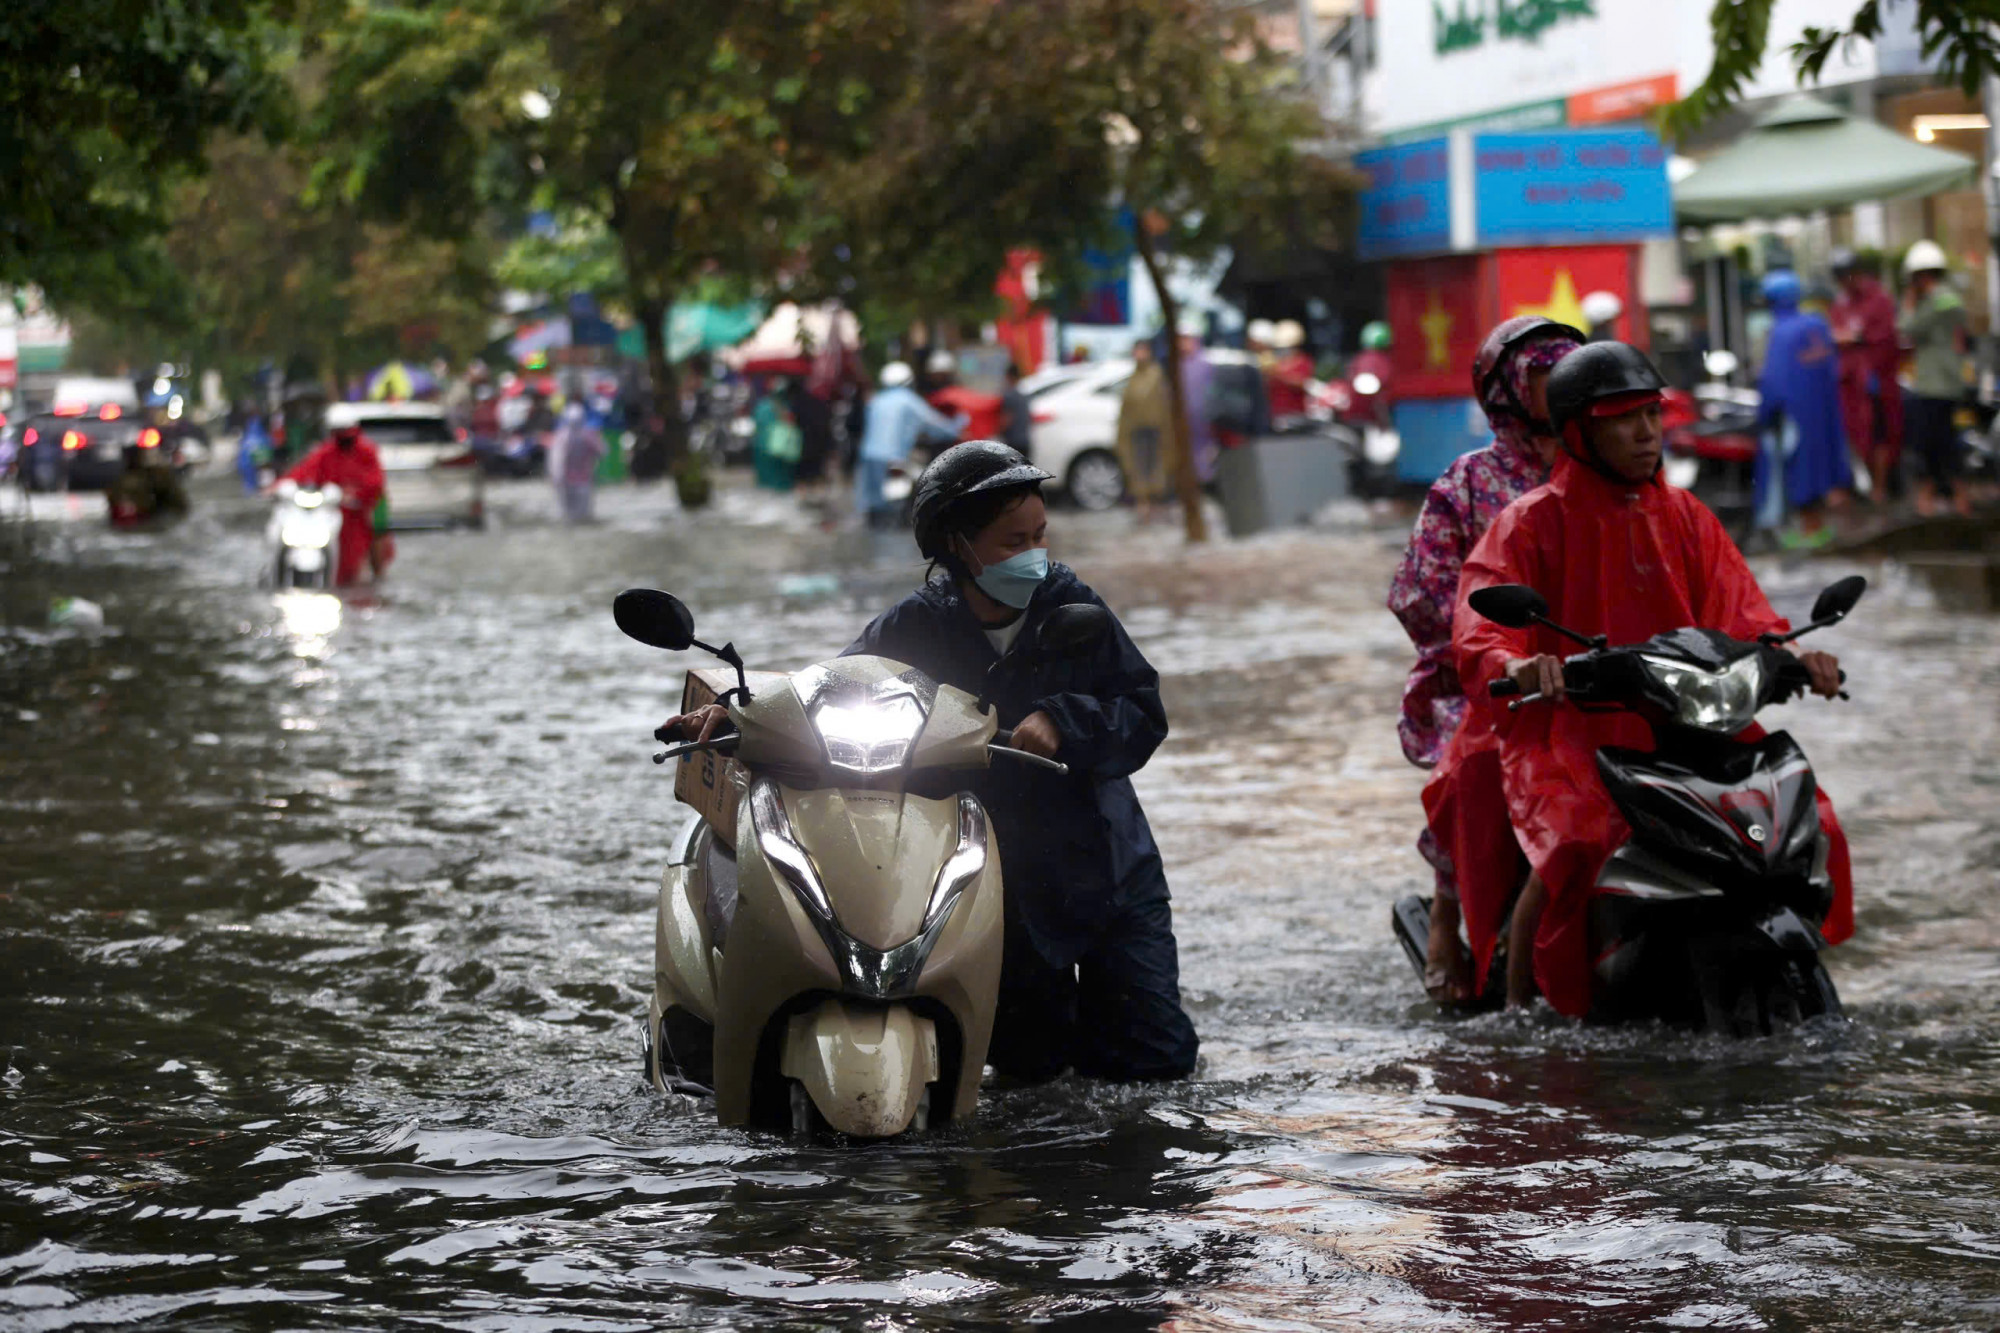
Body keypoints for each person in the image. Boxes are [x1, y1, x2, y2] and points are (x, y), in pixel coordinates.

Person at [663, 441, 1198, 1082]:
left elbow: (1142, 710)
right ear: (955, 546)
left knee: (1153, 1061)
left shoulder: (1070, 605)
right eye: (1011, 542)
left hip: (1108, 864)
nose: (1033, 555)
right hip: (996, 873)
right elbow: (830, 688)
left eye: (1040, 536)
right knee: (1029, 1070)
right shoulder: (914, 627)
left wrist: (1067, 720)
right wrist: (735, 712)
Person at [1451, 341, 1856, 1016]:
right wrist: (1520, 663)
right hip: (1569, 731)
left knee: (1811, 816)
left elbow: (1745, 610)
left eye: (1651, 414)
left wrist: (1794, 655)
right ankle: (1518, 1015)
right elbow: (1480, 624)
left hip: (1688, 722)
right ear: (1581, 430)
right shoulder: (1529, 522)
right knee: (1575, 845)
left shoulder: (1686, 515)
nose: (1646, 432)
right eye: (1623, 418)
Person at [1388, 315, 1583, 1003]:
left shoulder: (1596, 469)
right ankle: (1447, 914)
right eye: (1543, 376)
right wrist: (1482, 650)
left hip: (1595, 673)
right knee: (1466, 772)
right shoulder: (1467, 483)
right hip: (1489, 678)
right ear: (1507, 388)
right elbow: (1420, 590)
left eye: (1571, 373)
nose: (1560, 387)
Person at [1755, 268, 1851, 547]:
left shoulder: (1781, 333)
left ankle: (1807, 531)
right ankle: (1816, 527)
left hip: (1793, 416)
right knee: (1820, 466)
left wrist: (1763, 414)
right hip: (1822, 413)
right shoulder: (1817, 324)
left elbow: (1774, 381)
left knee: (1793, 470)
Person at [1898, 240, 1972, 518]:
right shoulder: (1951, 297)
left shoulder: (1936, 301)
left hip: (1935, 384)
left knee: (1934, 444)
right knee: (1944, 442)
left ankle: (1940, 498)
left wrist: (1908, 304)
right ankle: (1955, 498)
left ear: (1921, 276)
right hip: (1946, 381)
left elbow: (1907, 327)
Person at [1829, 250, 1904, 504]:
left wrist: (1855, 338)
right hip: (1848, 385)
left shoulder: (1879, 300)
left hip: (1874, 382)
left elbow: (1884, 337)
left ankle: (1880, 486)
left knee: (1880, 433)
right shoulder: (1840, 304)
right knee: (1853, 434)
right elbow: (1834, 335)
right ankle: (1860, 483)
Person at [855, 361, 966, 524]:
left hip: (868, 455)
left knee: (873, 504)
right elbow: (934, 423)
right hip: (894, 457)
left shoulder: (876, 400)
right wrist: (956, 428)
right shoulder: (909, 400)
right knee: (893, 505)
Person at [279, 422, 388, 586]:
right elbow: (303, 472)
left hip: (365, 507)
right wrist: (279, 485)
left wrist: (356, 494)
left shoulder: (367, 451)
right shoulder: (326, 452)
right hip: (334, 508)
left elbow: (375, 482)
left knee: (375, 534)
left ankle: (377, 575)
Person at [1115, 339, 1176, 519]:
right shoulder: (1133, 377)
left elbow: (1164, 404)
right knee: (1138, 467)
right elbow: (1127, 408)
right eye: (1137, 350)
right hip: (1136, 431)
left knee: (1156, 467)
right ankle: (1144, 503)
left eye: (1142, 350)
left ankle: (1157, 502)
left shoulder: (1156, 375)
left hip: (1155, 430)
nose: (1139, 354)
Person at [549, 402, 607, 522]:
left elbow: (556, 462)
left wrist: (556, 480)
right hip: (583, 481)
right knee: (583, 516)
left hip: (566, 482)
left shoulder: (561, 436)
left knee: (568, 517)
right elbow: (603, 452)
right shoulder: (589, 435)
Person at [1265, 321, 1314, 422]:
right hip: (1275, 414)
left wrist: (1278, 374)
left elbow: (1301, 383)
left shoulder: (1303, 361)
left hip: (1296, 415)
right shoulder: (1272, 362)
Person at [998, 363, 1034, 463]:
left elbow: (1007, 419)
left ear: (1009, 377)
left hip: (1013, 443)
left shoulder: (1008, 395)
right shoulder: (1024, 396)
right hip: (1026, 441)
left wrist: (998, 432)